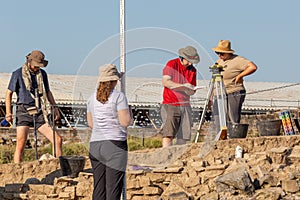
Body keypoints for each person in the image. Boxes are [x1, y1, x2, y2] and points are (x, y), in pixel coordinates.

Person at [5, 50, 62, 163]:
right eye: (36, 66)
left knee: (58, 140)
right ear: (29, 62)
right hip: (24, 111)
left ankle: (59, 167)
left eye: (39, 66)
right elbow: (8, 93)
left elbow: (48, 92)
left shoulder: (42, 74)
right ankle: (17, 171)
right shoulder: (17, 74)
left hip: (40, 111)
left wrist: (55, 107)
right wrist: (8, 112)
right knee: (21, 145)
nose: (37, 68)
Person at [87, 64, 132, 200]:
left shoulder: (91, 99)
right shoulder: (118, 97)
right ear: (114, 80)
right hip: (114, 143)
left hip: (95, 144)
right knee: (113, 188)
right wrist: (129, 110)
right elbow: (125, 122)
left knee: (99, 188)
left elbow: (91, 124)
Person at [160, 46, 200, 147]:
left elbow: (191, 90)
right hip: (171, 103)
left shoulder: (193, 70)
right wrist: (183, 87)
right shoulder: (172, 64)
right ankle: (166, 155)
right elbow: (166, 82)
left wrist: (191, 90)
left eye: (192, 61)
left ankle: (178, 157)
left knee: (183, 136)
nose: (190, 63)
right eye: (189, 61)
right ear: (182, 57)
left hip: (186, 105)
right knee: (169, 133)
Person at [211, 40, 257, 124]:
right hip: (220, 93)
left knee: (232, 118)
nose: (219, 55)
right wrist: (211, 96)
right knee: (218, 119)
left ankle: (233, 135)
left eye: (222, 53)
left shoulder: (238, 60)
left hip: (233, 91)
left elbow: (252, 67)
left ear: (228, 53)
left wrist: (240, 76)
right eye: (217, 53)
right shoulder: (218, 61)